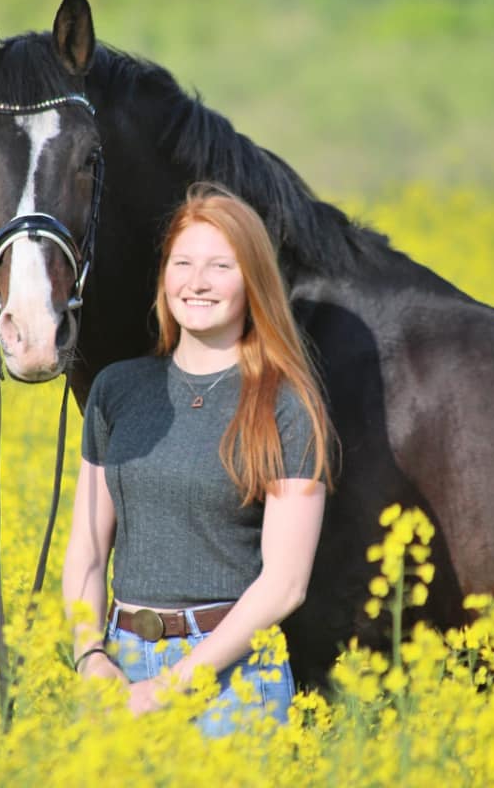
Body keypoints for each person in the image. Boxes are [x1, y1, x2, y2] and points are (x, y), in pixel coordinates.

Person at [62, 183, 332, 736]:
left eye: (220, 266)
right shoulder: (118, 391)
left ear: (252, 281)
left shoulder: (286, 405)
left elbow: (285, 584)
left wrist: (174, 684)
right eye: (182, 263)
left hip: (231, 680)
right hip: (117, 670)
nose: (197, 282)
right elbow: (87, 549)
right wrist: (90, 655)